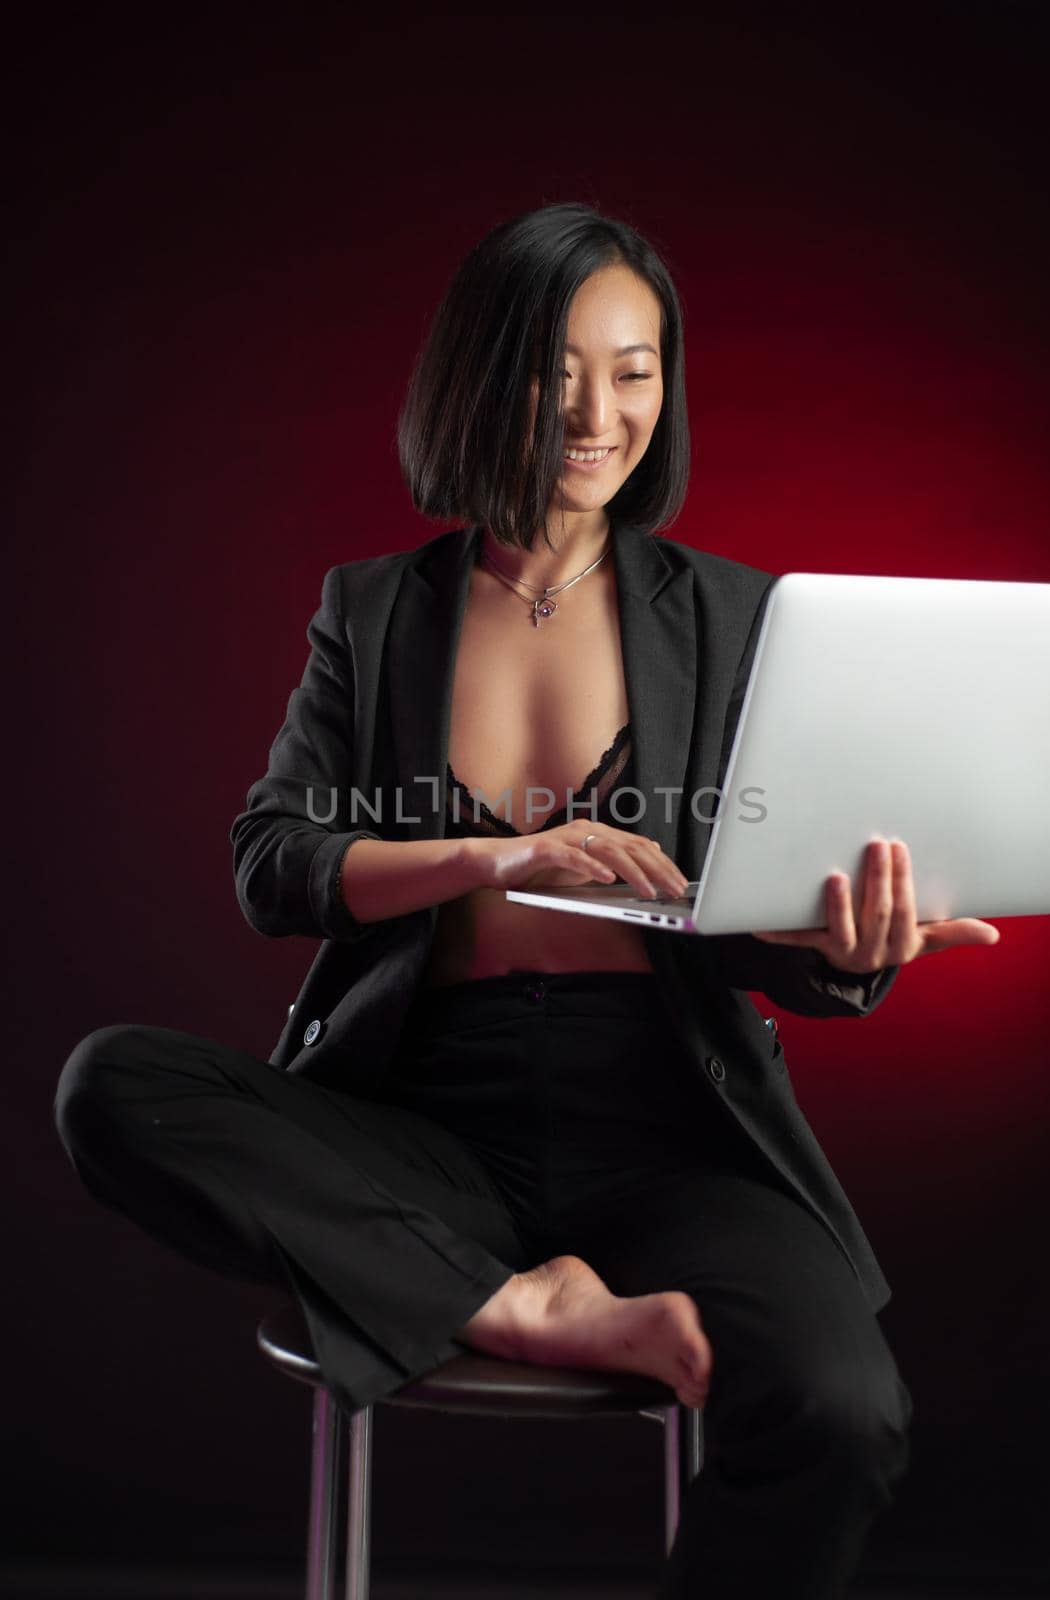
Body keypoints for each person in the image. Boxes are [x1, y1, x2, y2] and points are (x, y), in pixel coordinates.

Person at [54, 202, 1001, 1598]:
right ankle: (519, 1303)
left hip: (672, 1124)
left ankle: (511, 1303)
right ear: (484, 374)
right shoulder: (373, 612)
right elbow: (276, 863)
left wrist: (850, 947)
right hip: (422, 1123)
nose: (598, 410)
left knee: (840, 1412)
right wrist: (494, 858)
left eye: (634, 368)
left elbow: (776, 936)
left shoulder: (737, 621)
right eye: (559, 367)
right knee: (110, 1086)